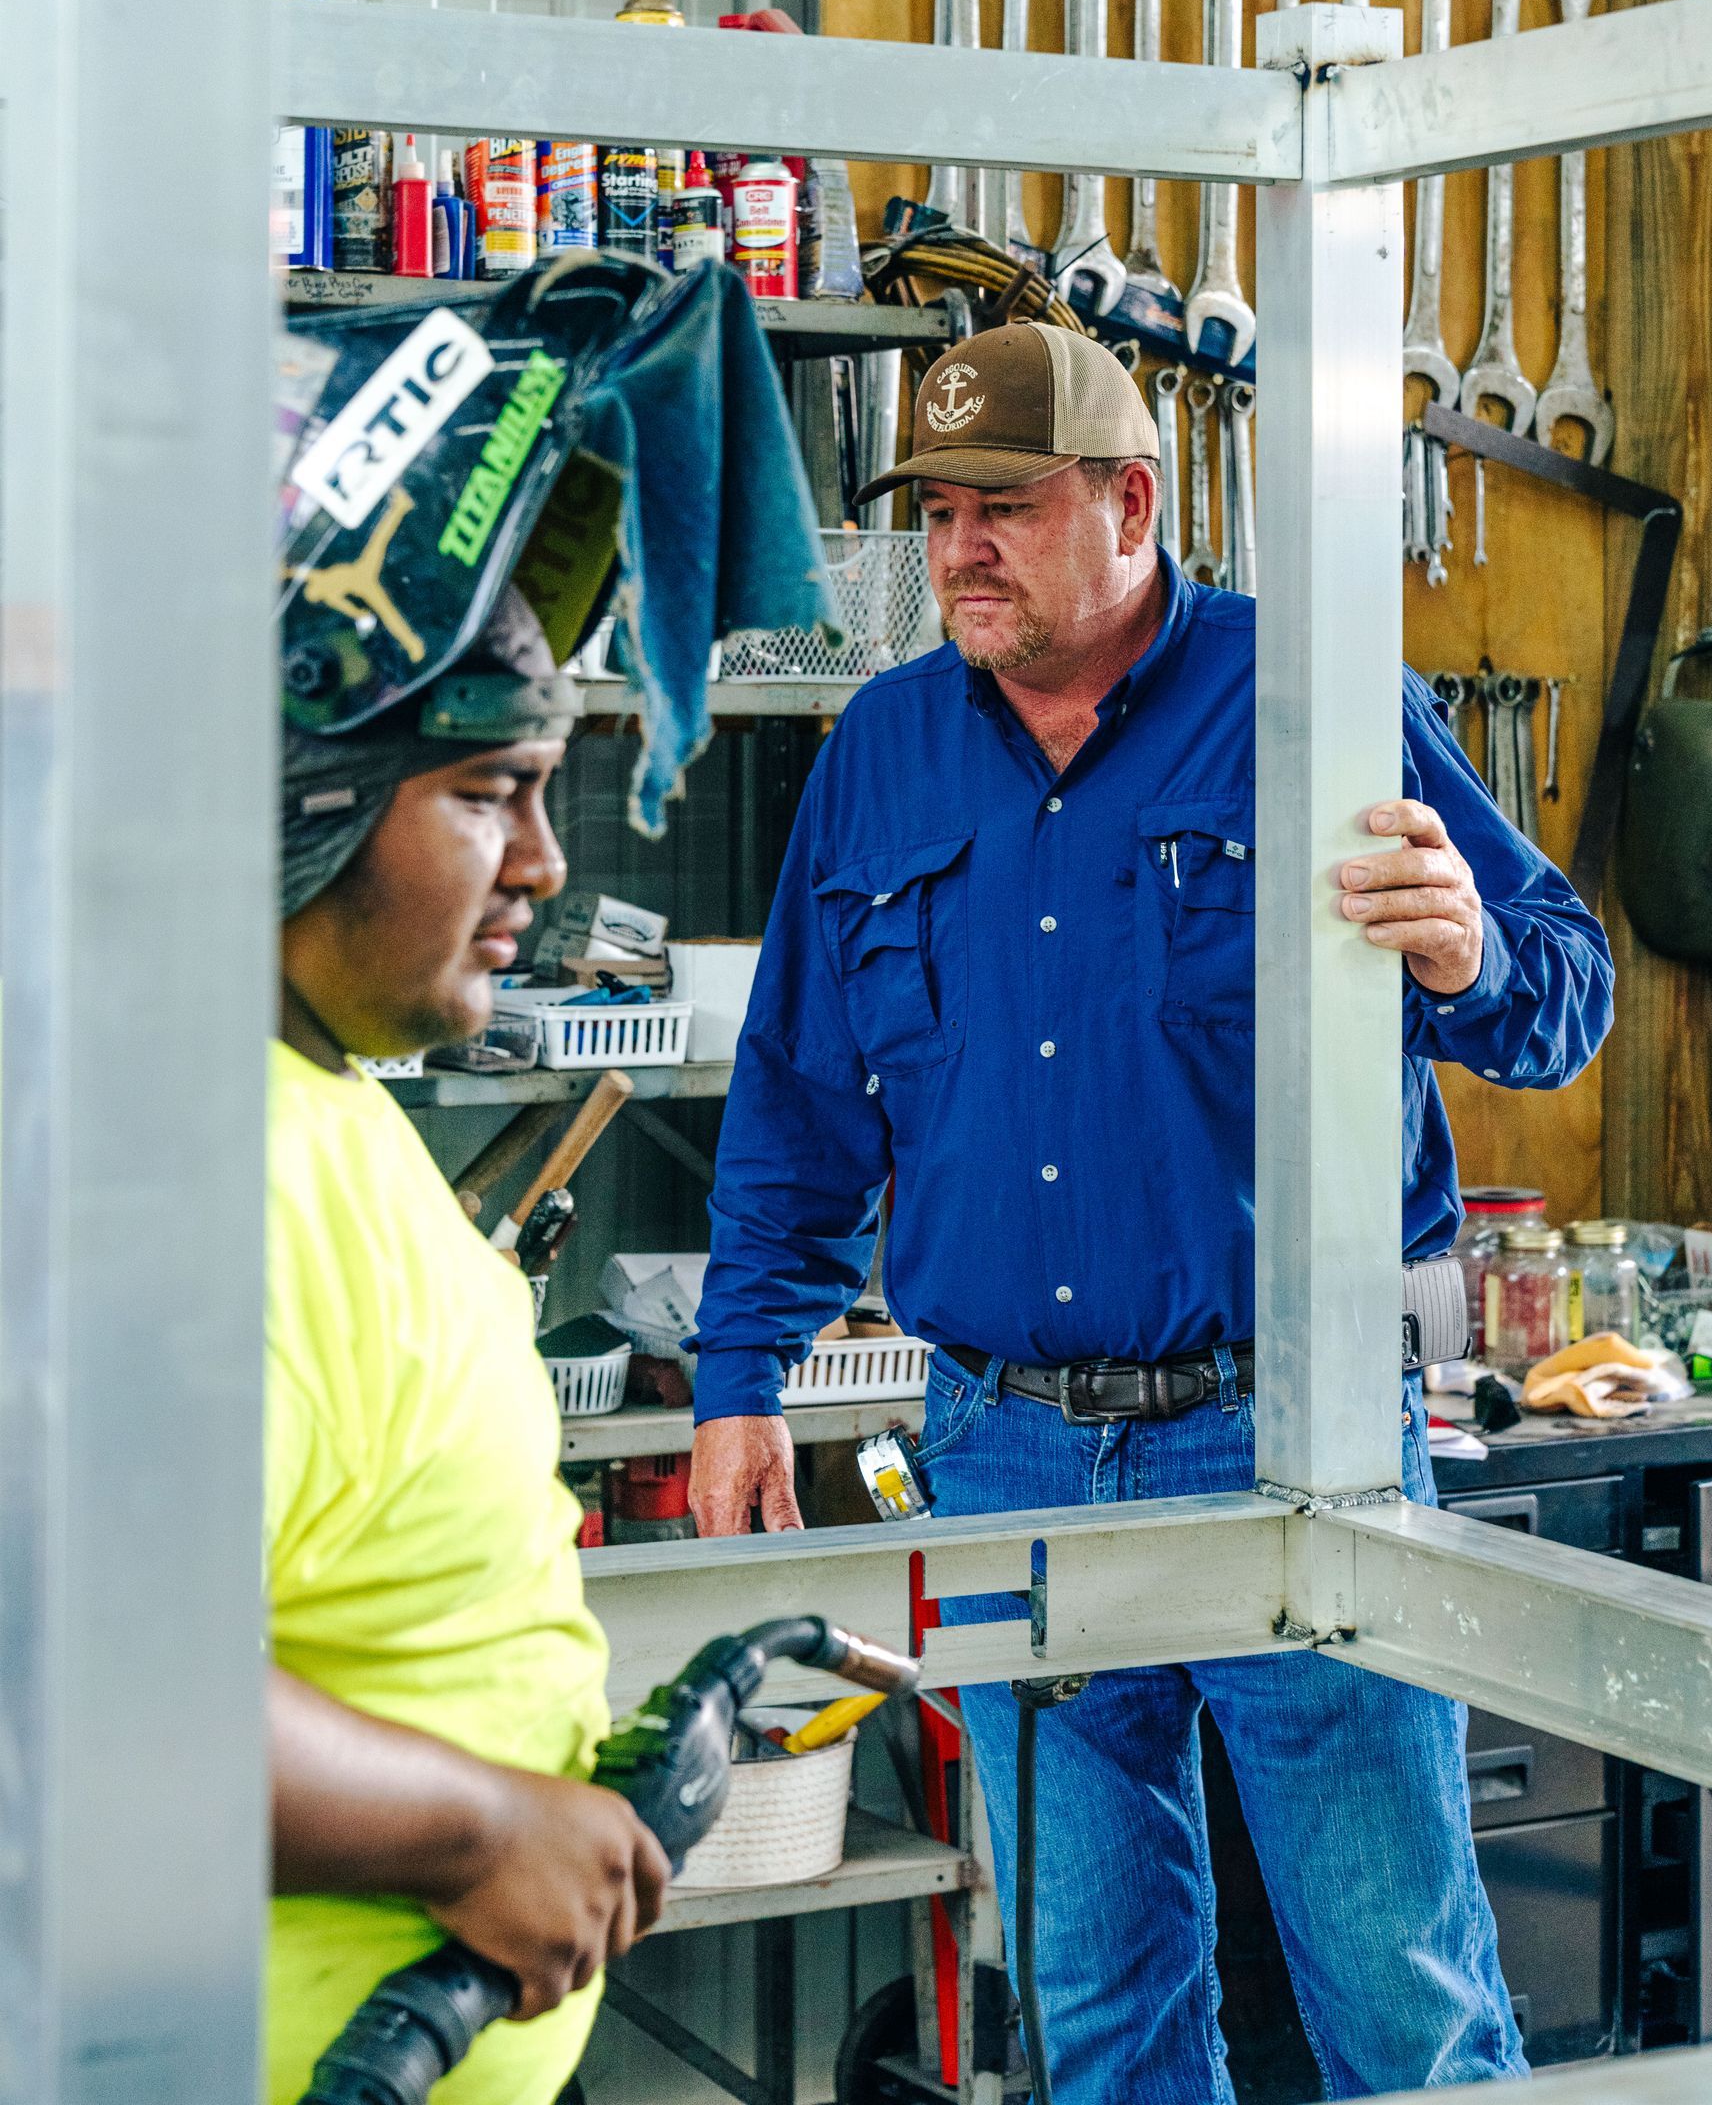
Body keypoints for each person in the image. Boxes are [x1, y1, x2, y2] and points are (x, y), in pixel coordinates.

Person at [688, 323, 1613, 2102]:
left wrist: (1473, 948)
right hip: (1006, 1457)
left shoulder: (1320, 702)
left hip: (1294, 1437)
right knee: (1100, 2020)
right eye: (939, 511)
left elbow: (1561, 992)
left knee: (1403, 2008)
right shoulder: (880, 756)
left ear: (1131, 500)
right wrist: (743, 1375)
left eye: (1005, 508)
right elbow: (799, 1100)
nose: (959, 545)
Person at [270, 588, 669, 2105]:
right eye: (491, 793)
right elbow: (80, 1693)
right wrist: (485, 1833)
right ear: (299, 804)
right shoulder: (214, 1189)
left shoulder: (324, 1096)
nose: (548, 864)